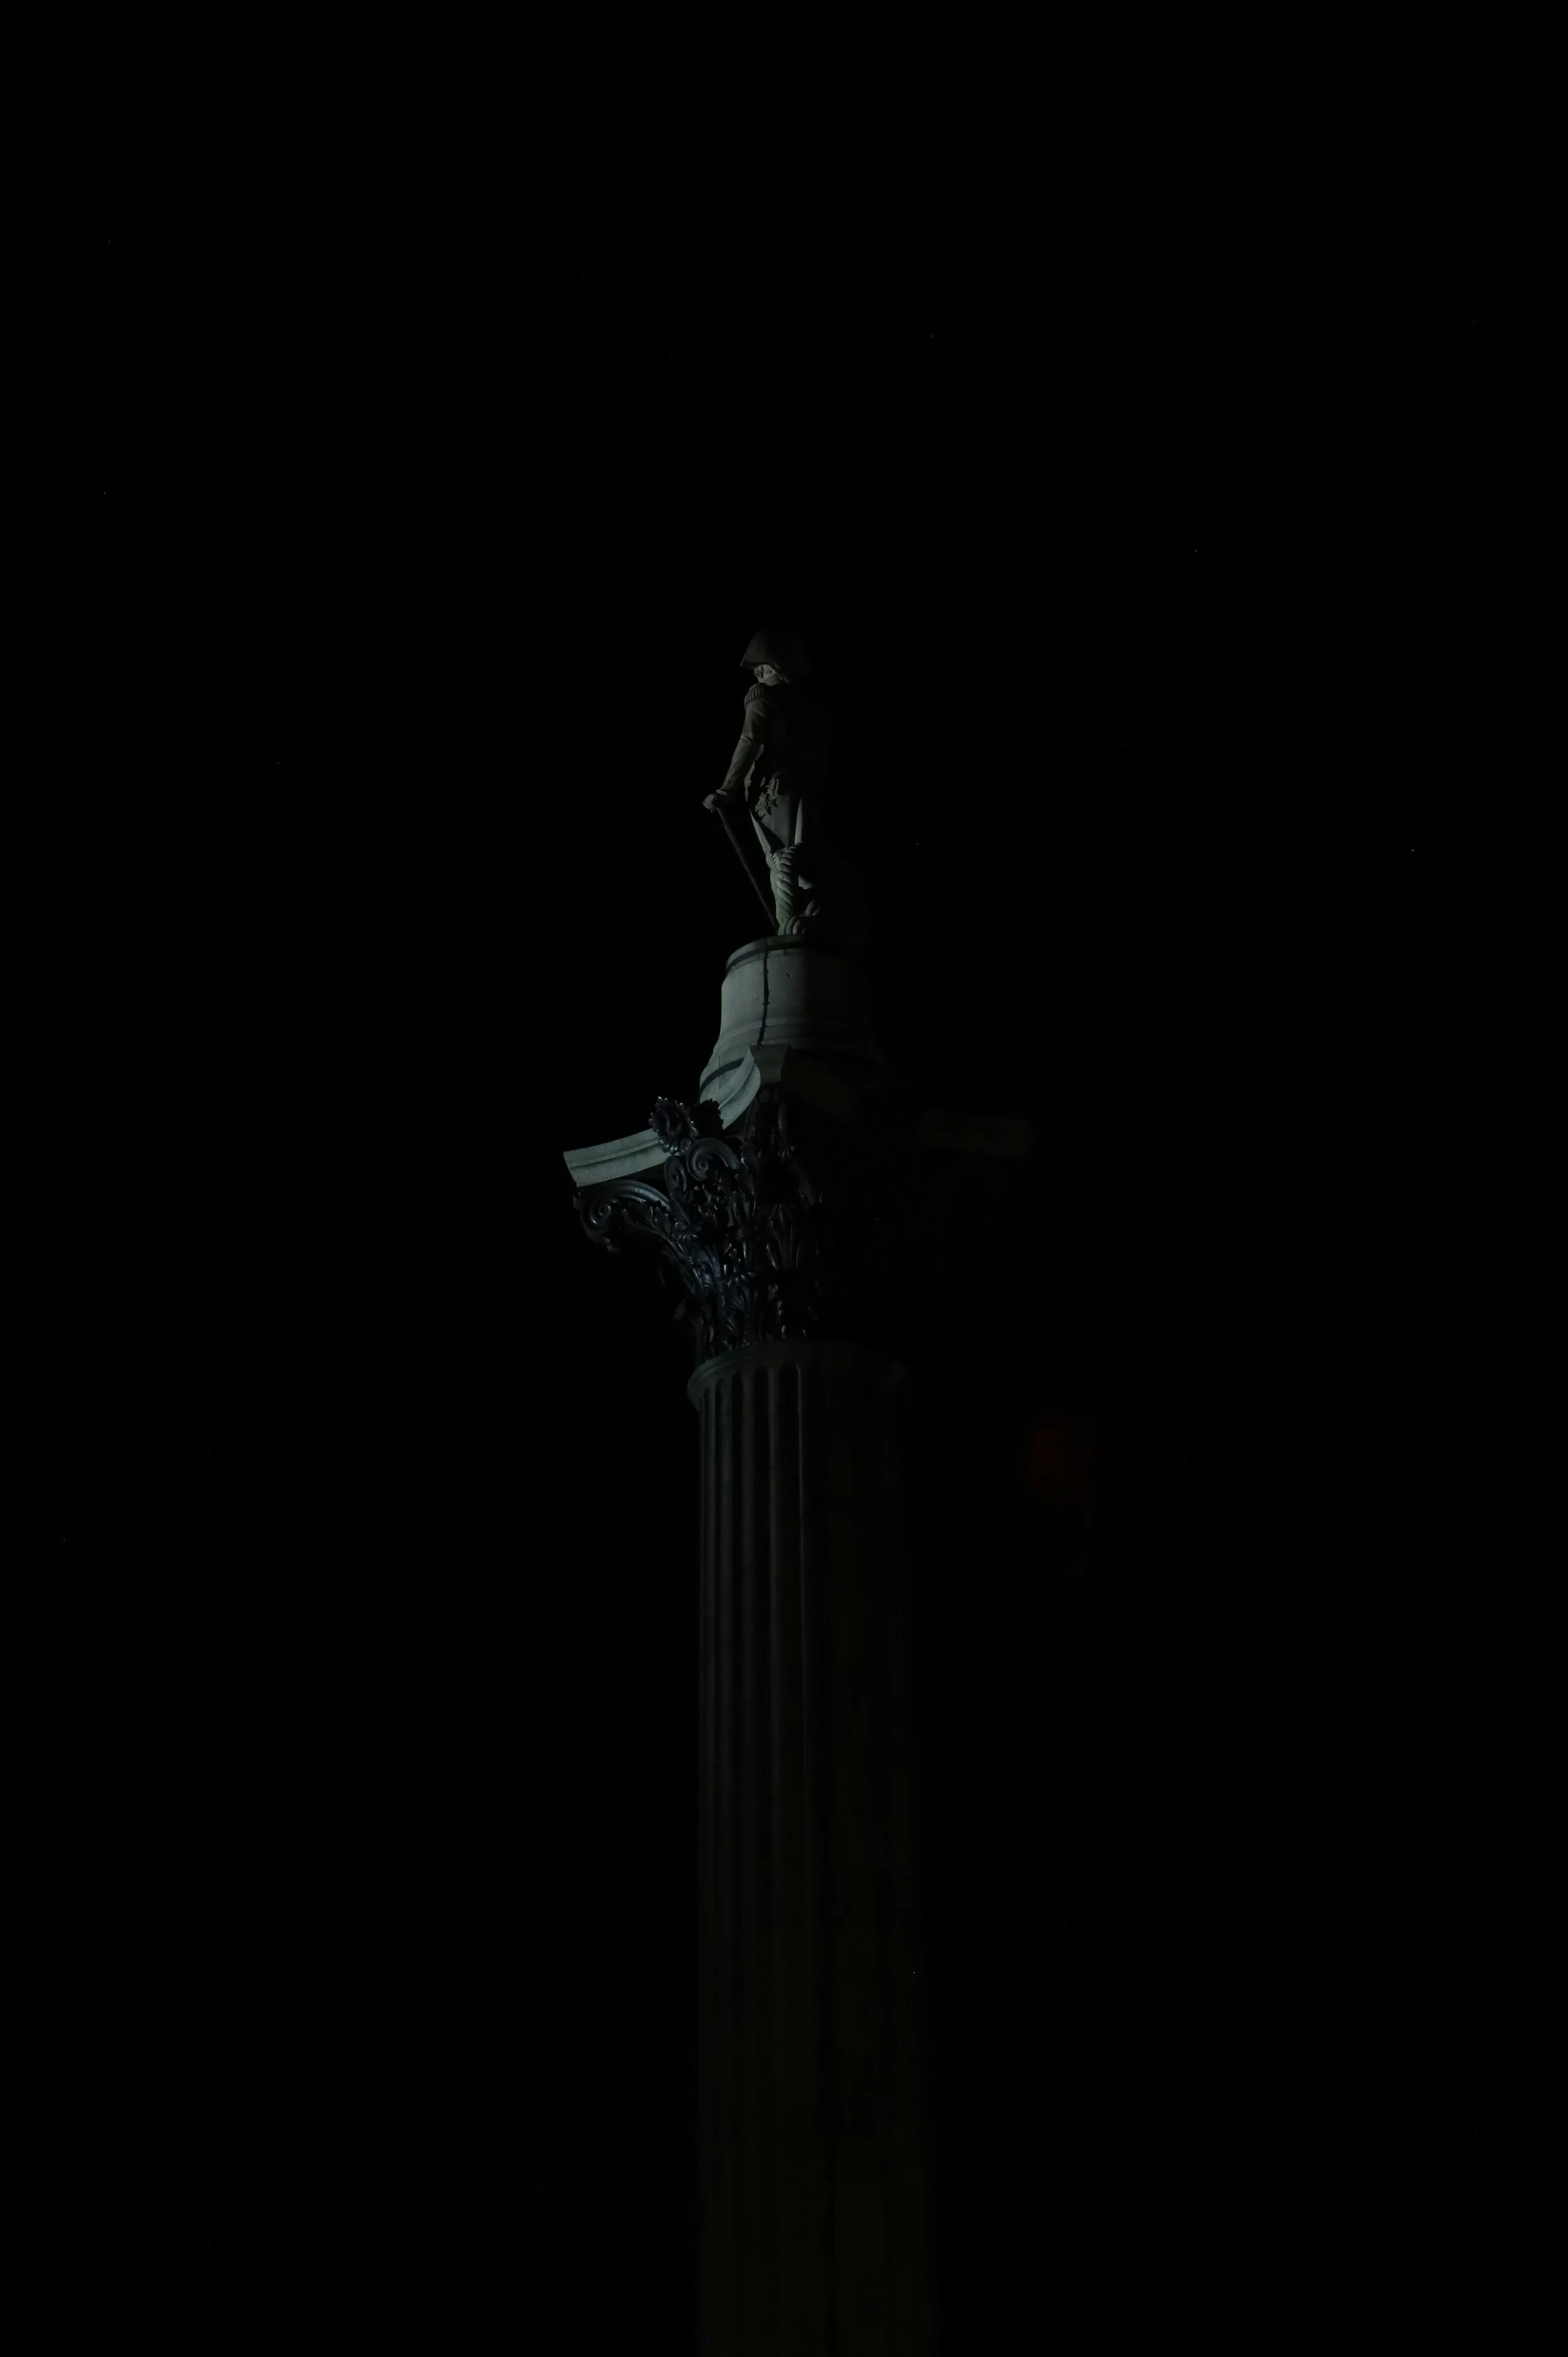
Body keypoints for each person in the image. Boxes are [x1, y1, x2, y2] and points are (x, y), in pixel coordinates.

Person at [703, 629, 864, 945]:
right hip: (806, 793)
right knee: (803, 861)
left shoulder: (762, 695)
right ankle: (814, 918)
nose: (758, 675)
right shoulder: (812, 711)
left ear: (769, 668)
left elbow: (750, 740)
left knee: (781, 861)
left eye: (759, 669)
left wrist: (727, 789)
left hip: (770, 791)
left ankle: (789, 935)